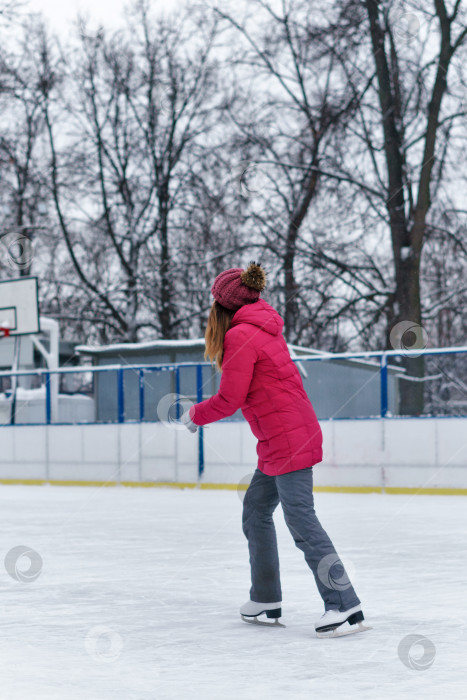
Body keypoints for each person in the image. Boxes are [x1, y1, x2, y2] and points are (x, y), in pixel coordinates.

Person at [182, 262, 366, 638]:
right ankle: (265, 598)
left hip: (287, 438)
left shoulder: (241, 335)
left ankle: (344, 604)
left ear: (222, 305)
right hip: (280, 438)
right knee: (256, 509)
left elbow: (230, 398)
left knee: (301, 520)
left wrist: (193, 416)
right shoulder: (263, 328)